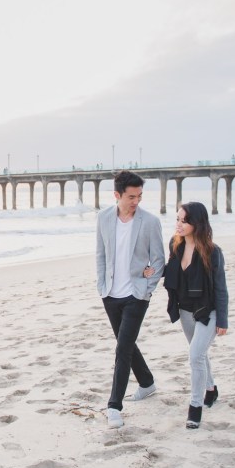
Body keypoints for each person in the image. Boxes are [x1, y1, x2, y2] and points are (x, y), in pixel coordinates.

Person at [96, 170, 165, 428]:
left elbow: (158, 260)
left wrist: (147, 288)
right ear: (117, 195)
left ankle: (114, 405)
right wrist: (102, 286)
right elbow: (100, 254)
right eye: (131, 197)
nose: (136, 201)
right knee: (126, 343)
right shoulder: (103, 218)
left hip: (136, 295)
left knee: (122, 348)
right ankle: (146, 382)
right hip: (110, 294)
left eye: (139, 196)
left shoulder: (150, 221)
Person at [163, 201, 228, 429]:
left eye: (184, 221)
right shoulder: (175, 245)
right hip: (184, 310)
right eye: (177, 219)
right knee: (198, 353)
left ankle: (195, 407)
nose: (179, 225)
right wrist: (150, 271)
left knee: (195, 356)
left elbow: (220, 288)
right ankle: (211, 389)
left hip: (208, 311)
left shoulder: (212, 252)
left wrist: (223, 320)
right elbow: (171, 271)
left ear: (197, 223)